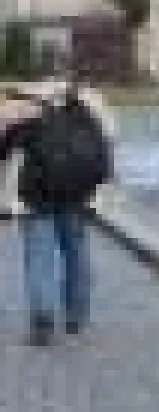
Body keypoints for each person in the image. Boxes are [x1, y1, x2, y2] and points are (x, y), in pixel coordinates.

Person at [0, 66, 114, 346]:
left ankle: (43, 318)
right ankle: (76, 312)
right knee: (76, 252)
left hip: (38, 195)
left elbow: (5, 148)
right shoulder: (88, 107)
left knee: (40, 256)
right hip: (77, 194)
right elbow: (107, 144)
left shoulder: (30, 110)